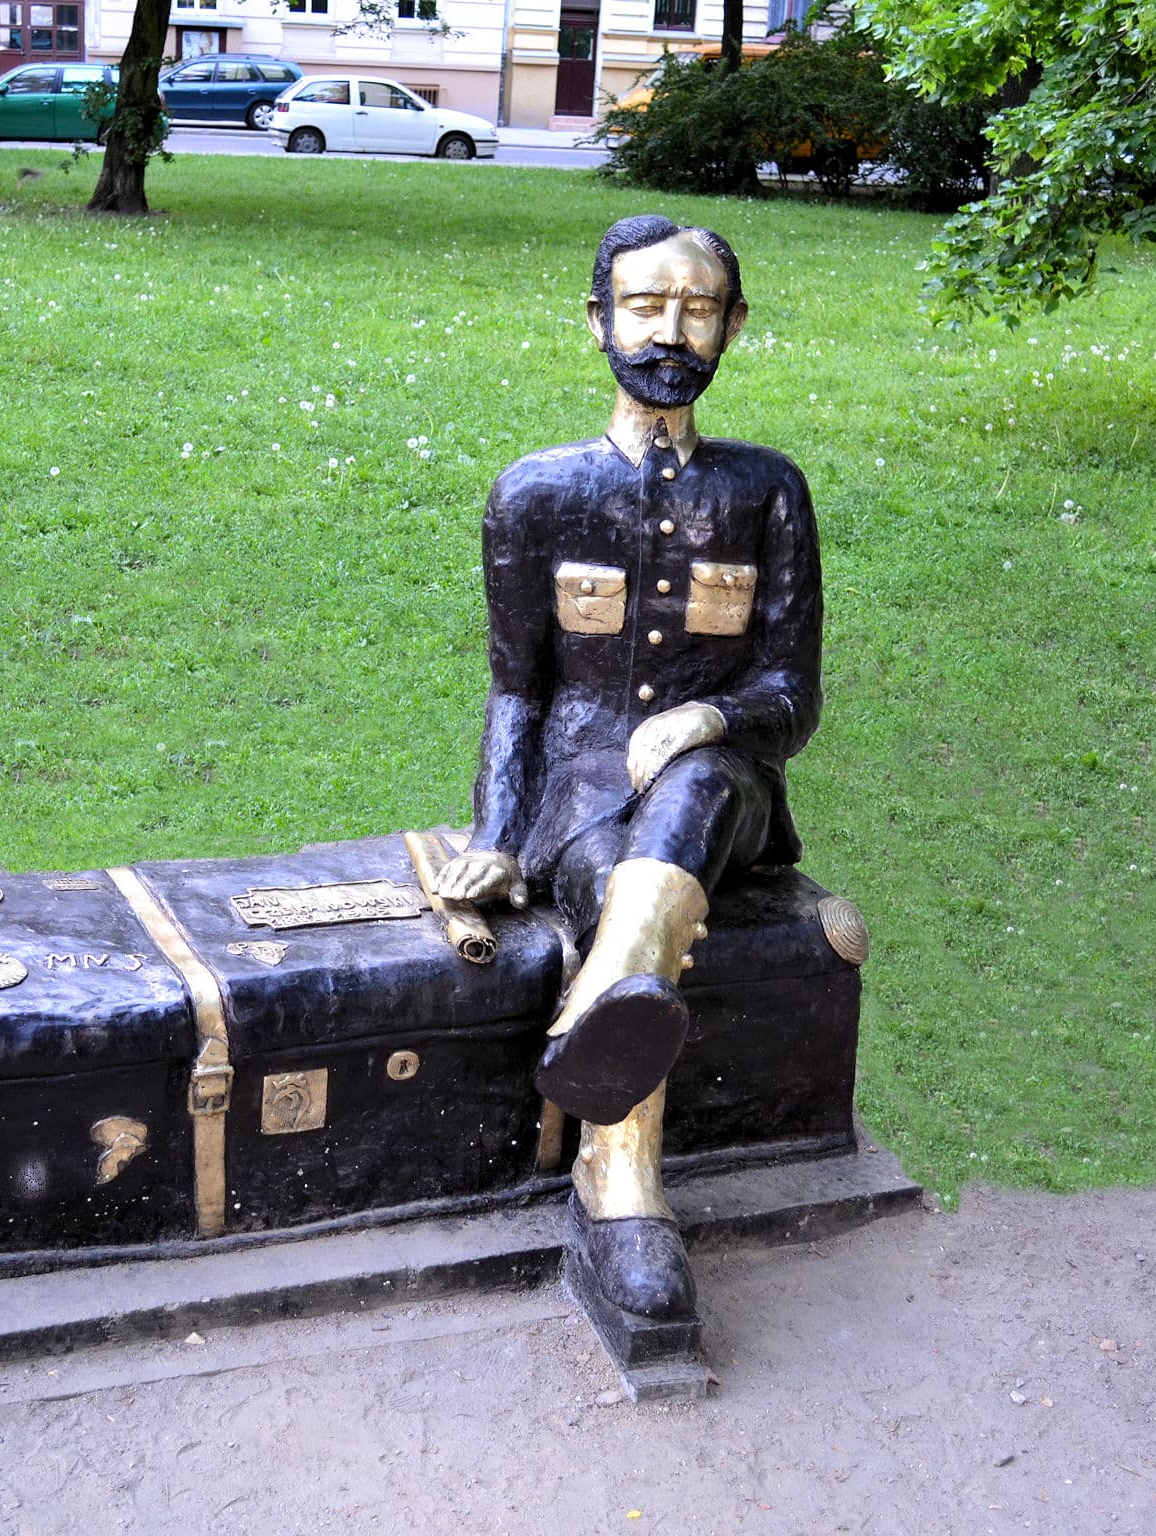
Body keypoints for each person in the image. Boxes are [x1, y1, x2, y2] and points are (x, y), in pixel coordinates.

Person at [435, 214, 823, 1321]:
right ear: (598, 319)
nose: (670, 330)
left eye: (698, 307)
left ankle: (591, 1026)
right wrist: (498, 839)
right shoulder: (536, 493)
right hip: (577, 791)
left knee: (697, 788)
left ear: (734, 325)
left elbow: (793, 698)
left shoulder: (767, 492)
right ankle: (620, 1175)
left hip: (727, 787)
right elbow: (518, 689)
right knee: (611, 883)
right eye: (646, 304)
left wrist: (711, 714)